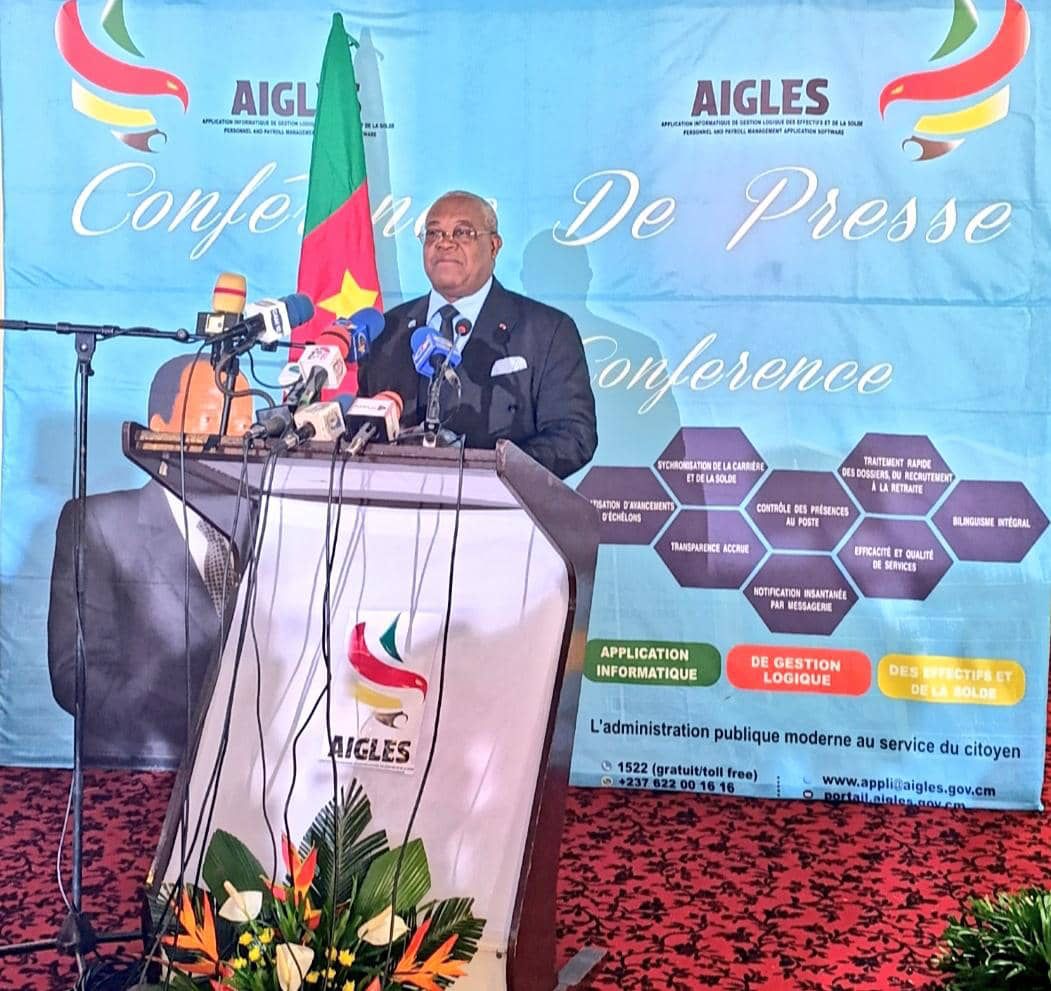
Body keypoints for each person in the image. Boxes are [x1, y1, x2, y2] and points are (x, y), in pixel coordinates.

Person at [47, 355, 254, 769]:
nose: (231, 439)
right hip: (144, 773)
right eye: (211, 419)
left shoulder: (268, 525)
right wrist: (203, 724)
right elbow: (76, 674)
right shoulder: (99, 524)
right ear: (159, 429)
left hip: (253, 773)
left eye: (245, 426)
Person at [358, 190, 598, 479]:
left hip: (498, 502)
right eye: (433, 233)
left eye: (463, 233)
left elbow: (573, 437)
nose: (444, 243)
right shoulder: (388, 330)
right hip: (395, 501)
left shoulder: (547, 331)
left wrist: (490, 472)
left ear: (494, 246)